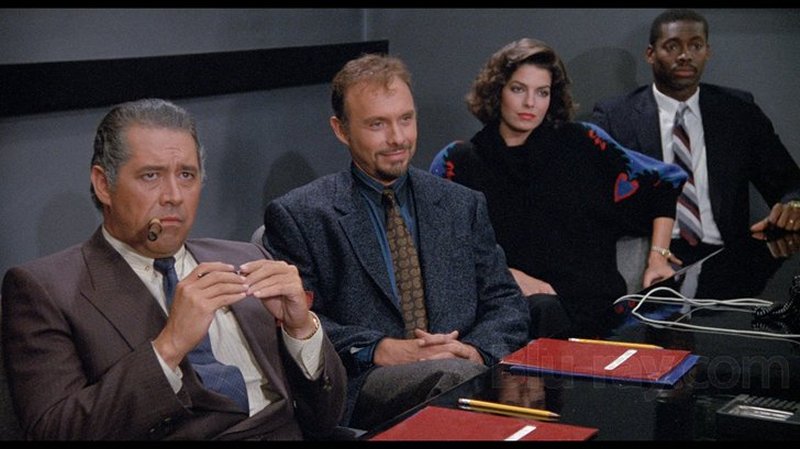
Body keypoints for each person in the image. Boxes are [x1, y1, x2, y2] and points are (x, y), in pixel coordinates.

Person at [1, 98, 346, 440]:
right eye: (151, 176)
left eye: (186, 175)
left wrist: (301, 330)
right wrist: (169, 346)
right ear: (104, 184)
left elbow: (326, 417)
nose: (174, 196)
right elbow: (56, 430)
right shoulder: (45, 290)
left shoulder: (245, 257)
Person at [262, 54, 530, 430]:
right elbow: (295, 322)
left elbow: (507, 303)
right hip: (365, 382)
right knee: (454, 380)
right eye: (377, 124)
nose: (398, 138)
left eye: (406, 119)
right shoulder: (302, 215)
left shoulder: (461, 204)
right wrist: (379, 348)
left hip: (465, 368)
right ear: (341, 130)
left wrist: (472, 351)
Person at [430, 38, 687, 336]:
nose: (530, 103)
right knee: (542, 310)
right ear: (497, 90)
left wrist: (658, 256)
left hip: (597, 312)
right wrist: (506, 275)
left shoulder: (583, 142)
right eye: (518, 89)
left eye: (542, 92)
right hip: (513, 313)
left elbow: (662, 183)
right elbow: (439, 248)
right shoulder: (458, 161)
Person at [592, 8, 800, 265]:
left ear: (707, 52)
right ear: (650, 54)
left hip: (727, 258)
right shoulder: (615, 116)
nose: (685, 56)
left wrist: (794, 204)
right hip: (648, 258)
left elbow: (791, 183)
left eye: (696, 46)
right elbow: (591, 197)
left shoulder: (739, 111)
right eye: (672, 46)